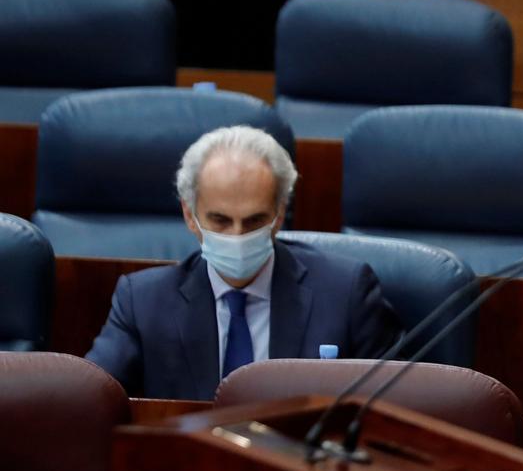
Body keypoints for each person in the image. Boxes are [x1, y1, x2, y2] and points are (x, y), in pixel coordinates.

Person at [86, 126, 400, 400]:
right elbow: (90, 398)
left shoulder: (346, 293)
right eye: (220, 220)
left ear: (279, 214)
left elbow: (397, 412)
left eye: (254, 221)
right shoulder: (143, 302)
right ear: (189, 215)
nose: (237, 236)